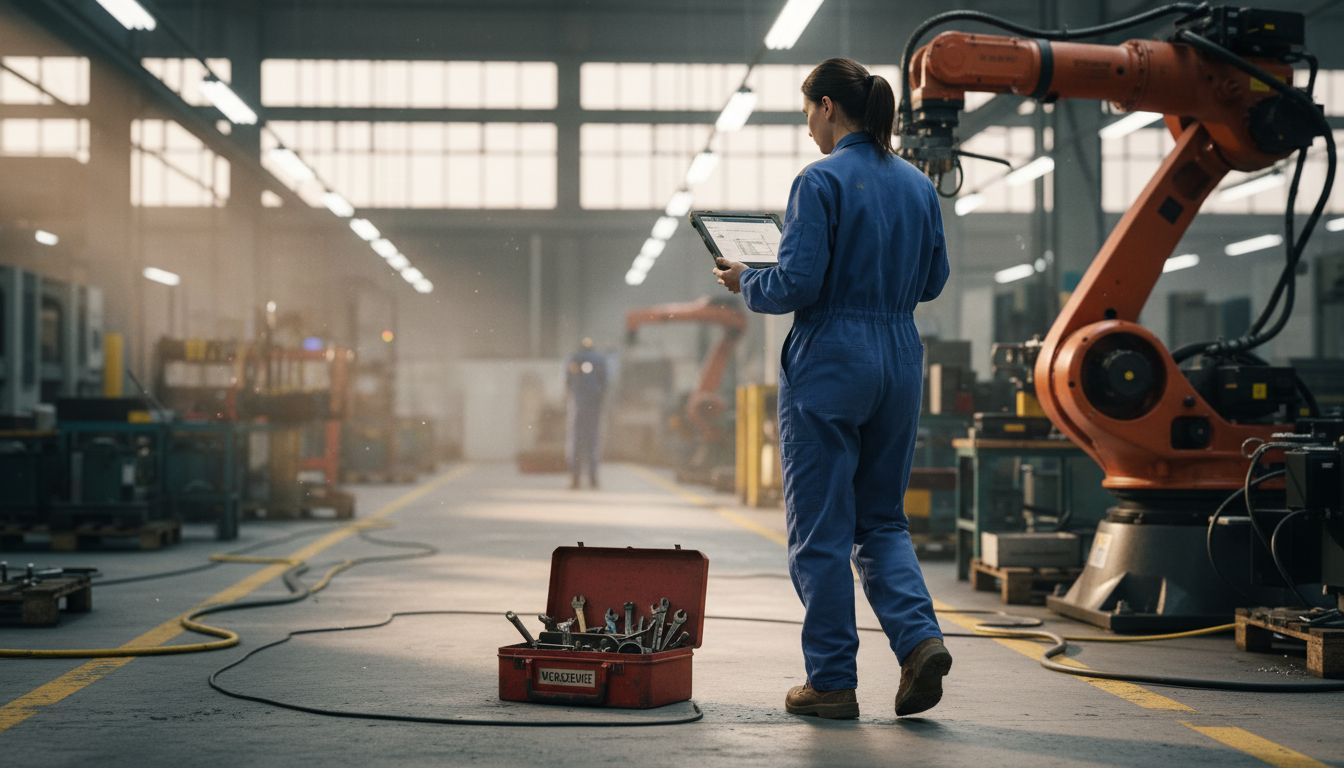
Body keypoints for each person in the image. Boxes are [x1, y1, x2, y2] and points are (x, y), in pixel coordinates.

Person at [713, 58, 952, 720]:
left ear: (826, 107)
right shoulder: (917, 185)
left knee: (821, 528)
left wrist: (746, 279)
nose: (808, 129)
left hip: (832, 360)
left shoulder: (817, 181)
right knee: (882, 520)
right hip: (899, 356)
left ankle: (832, 680)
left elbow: (796, 284)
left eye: (806, 115)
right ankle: (919, 641)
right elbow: (934, 281)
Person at [564, 337, 608, 490]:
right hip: (594, 406)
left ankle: (575, 478)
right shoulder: (600, 360)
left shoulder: (574, 358)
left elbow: (568, 381)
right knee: (593, 441)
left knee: (576, 441)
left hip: (578, 405)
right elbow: (605, 382)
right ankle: (593, 478)